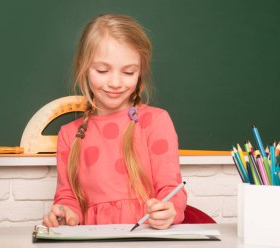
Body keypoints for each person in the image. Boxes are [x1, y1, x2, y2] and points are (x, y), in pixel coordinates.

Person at [42, 14, 187, 230]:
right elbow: (67, 197)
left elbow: (171, 189)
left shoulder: (156, 121)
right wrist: (64, 214)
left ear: (140, 72)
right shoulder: (69, 134)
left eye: (129, 72)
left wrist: (168, 210)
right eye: (102, 70)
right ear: (83, 66)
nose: (115, 82)